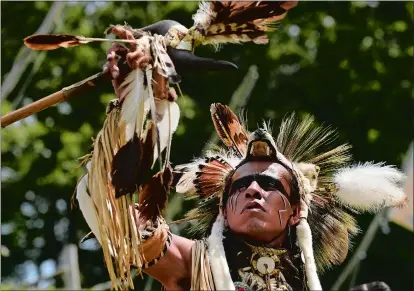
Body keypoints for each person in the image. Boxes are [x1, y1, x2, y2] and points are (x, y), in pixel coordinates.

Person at [77, 25, 407, 291]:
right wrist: (138, 98)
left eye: (267, 184)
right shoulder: (194, 265)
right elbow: (111, 215)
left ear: (295, 212)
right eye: (241, 185)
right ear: (223, 208)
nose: (252, 191)